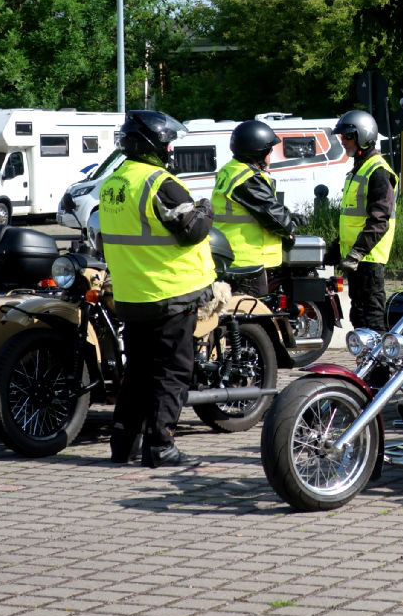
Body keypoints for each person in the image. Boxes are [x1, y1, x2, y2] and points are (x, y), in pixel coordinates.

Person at [101, 110, 216, 468]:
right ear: (152, 145)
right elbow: (193, 229)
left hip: (132, 294)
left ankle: (122, 445)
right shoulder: (159, 183)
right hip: (170, 293)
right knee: (172, 372)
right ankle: (160, 446)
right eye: (167, 144)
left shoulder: (113, 183)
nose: (170, 150)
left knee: (137, 372)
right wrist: (206, 210)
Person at [211, 119, 299, 295]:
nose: (270, 155)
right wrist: (290, 225)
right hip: (247, 262)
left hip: (229, 256)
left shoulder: (230, 170)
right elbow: (275, 218)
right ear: (258, 153)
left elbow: (256, 208)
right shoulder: (248, 179)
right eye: (269, 150)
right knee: (254, 309)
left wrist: (289, 215)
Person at [331, 110, 397, 332]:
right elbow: (353, 220)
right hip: (355, 258)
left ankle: (380, 355)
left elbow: (380, 220)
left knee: (372, 317)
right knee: (358, 315)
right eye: (341, 136)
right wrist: (334, 249)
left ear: (363, 136)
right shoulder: (358, 169)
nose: (342, 141)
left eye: (347, 136)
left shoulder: (378, 171)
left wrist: (357, 253)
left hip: (369, 257)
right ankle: (363, 353)